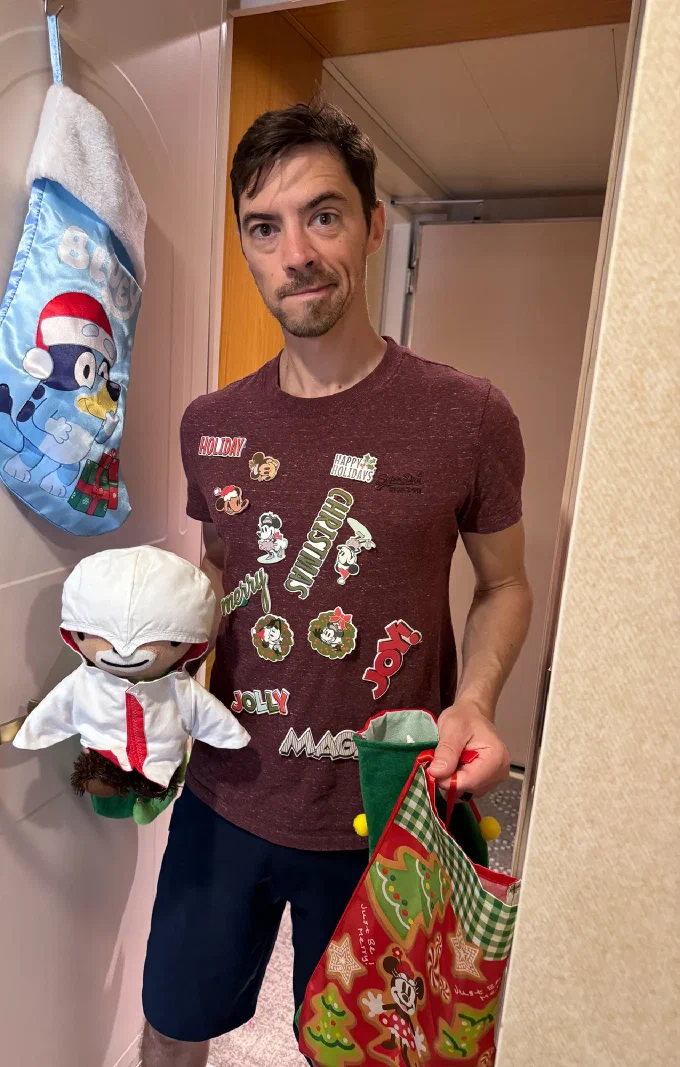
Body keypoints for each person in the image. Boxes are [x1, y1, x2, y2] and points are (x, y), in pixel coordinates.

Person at [140, 98, 533, 1067]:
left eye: (322, 215)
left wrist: (474, 698)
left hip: (385, 810)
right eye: (263, 228)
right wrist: (160, 671)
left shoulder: (466, 416)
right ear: (244, 245)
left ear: (371, 223)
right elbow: (222, 570)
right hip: (225, 798)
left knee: (366, 1050)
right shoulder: (208, 422)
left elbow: (504, 583)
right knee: (171, 1023)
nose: (295, 254)